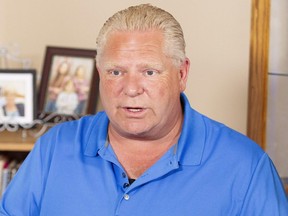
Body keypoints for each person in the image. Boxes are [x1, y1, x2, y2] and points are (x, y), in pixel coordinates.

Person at [0, 4, 287, 215]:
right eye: (116, 72)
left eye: (149, 72)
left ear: (182, 74)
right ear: (99, 73)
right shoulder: (53, 147)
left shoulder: (247, 168)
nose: (131, 88)